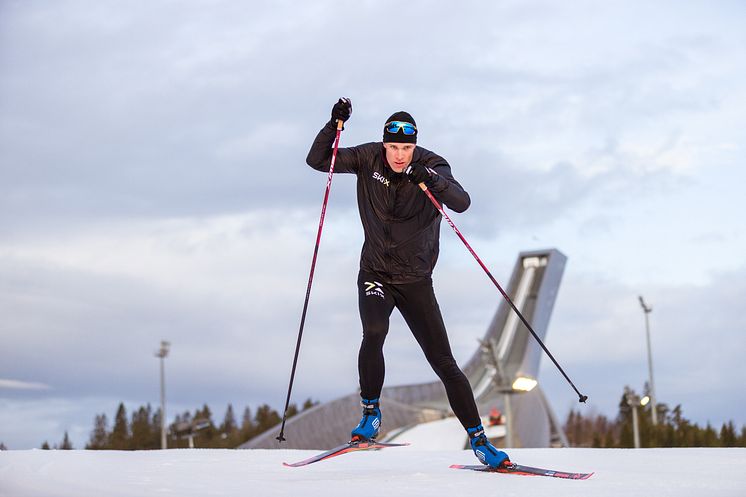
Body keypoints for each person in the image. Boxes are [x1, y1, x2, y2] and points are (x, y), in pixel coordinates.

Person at [306, 97, 509, 468]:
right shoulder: (369, 158)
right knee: (374, 330)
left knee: (444, 362)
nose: (399, 155)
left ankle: (480, 442)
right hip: (376, 273)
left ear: (415, 146)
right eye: (394, 147)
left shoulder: (431, 164)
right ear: (384, 145)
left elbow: (461, 202)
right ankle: (370, 415)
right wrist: (333, 124)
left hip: (415, 280)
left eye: (406, 147)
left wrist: (429, 180)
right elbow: (318, 161)